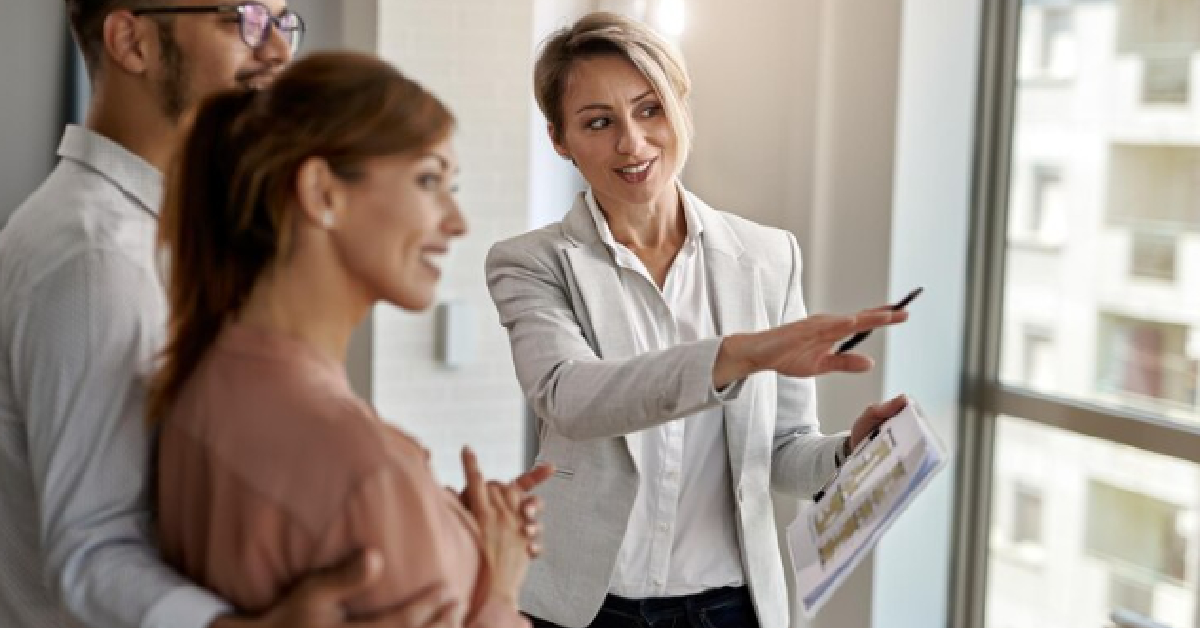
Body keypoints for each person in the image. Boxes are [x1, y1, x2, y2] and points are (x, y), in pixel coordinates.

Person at [0, 3, 531, 628]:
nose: (279, 49)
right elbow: (93, 552)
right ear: (132, 41)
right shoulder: (98, 258)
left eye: (283, 20)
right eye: (245, 18)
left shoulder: (190, 244)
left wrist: (424, 525)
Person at [485, 11, 910, 628]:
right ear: (559, 140)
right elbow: (570, 397)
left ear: (681, 107)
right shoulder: (532, 262)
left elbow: (782, 451)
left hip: (728, 608)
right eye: (599, 122)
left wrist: (849, 452)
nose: (632, 143)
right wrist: (736, 356)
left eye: (650, 109)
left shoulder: (768, 257)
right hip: (585, 609)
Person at [149, 51, 538, 628]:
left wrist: (442, 518)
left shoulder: (199, 383)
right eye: (429, 181)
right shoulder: (370, 476)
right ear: (322, 193)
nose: (457, 222)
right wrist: (499, 587)